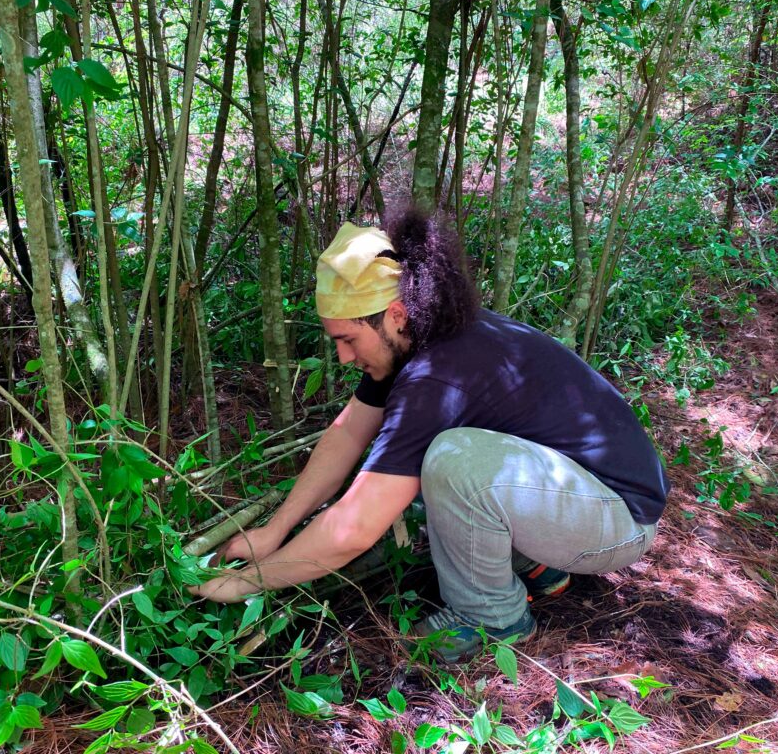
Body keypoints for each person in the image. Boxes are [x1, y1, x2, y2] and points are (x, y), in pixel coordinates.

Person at [190, 210, 669, 662]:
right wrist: (274, 530)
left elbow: (353, 529)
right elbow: (348, 433)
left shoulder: (434, 377)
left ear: (395, 314)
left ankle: (493, 620)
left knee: (450, 460)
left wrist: (248, 583)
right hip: (575, 495)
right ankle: (535, 566)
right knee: (425, 466)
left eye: (347, 340)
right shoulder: (423, 334)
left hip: (615, 520)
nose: (341, 357)